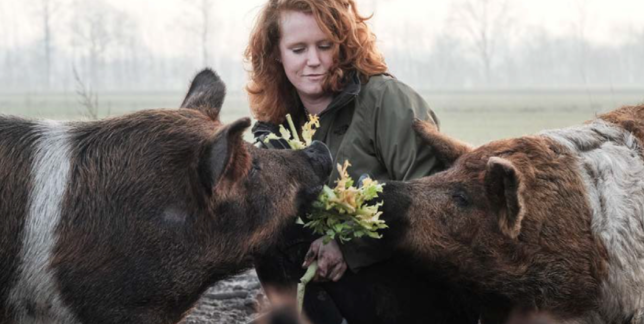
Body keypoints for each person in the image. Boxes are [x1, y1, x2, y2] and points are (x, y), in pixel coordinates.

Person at [245, 1, 478, 323]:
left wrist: (349, 246)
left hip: (411, 288)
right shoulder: (278, 126)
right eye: (298, 49)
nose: (313, 61)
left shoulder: (387, 100)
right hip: (326, 295)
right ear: (276, 54)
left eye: (324, 46)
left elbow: (437, 205)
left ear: (345, 44)